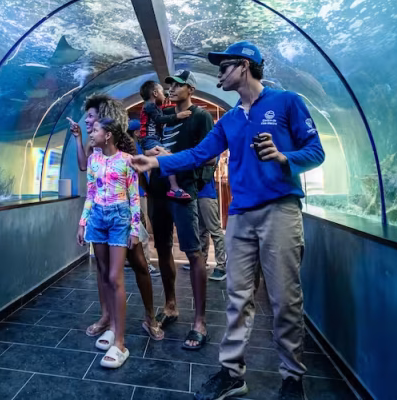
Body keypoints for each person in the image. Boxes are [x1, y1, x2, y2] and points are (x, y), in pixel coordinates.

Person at [130, 42, 325, 400]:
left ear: (244, 66)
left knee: (285, 298)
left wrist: (284, 157)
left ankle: (292, 380)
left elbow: (316, 152)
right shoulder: (232, 119)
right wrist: (155, 163)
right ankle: (232, 373)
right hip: (240, 215)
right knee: (237, 297)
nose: (218, 73)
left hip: (280, 210)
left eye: (224, 67)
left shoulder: (287, 102)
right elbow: (199, 153)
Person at [67, 94, 164, 343]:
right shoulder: (94, 144)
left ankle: (150, 316)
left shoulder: (124, 145)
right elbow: (84, 167)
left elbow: (133, 178)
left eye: (91, 116)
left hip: (126, 210)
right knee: (103, 270)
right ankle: (107, 316)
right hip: (101, 210)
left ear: (104, 117)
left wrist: (135, 221)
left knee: (140, 263)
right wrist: (78, 139)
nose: (87, 120)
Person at [144, 70, 214, 350]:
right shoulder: (162, 116)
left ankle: (200, 321)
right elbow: (149, 142)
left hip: (184, 191)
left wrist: (181, 169)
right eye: (169, 85)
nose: (171, 89)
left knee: (193, 252)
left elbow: (209, 154)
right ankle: (170, 305)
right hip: (157, 191)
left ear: (192, 90)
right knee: (161, 248)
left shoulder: (201, 116)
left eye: (178, 85)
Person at [76, 118, 140, 369]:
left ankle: (120, 343)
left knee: (115, 278)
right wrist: (83, 223)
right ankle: (112, 328)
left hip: (119, 218)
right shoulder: (93, 160)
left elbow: (134, 196)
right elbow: (91, 192)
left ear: (109, 135)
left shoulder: (127, 160)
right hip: (97, 219)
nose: (91, 134)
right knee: (103, 275)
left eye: (95, 130)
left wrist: (135, 229)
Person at [138, 80, 192, 198]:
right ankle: (174, 187)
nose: (165, 95)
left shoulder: (152, 106)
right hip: (150, 139)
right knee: (168, 157)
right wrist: (177, 116)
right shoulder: (149, 106)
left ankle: (152, 187)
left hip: (151, 139)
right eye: (163, 92)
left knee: (157, 161)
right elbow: (159, 119)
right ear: (155, 93)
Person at [182, 161, 227, 282]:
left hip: (207, 194)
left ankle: (221, 266)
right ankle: (202, 261)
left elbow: (210, 161)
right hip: (197, 193)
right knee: (201, 230)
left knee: (215, 230)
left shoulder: (209, 148)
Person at [128, 118, 160, 277]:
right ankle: (146, 263)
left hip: (133, 194)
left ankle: (133, 260)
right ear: (135, 132)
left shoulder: (129, 148)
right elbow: (140, 173)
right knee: (141, 228)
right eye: (139, 131)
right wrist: (147, 189)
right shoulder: (135, 148)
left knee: (135, 228)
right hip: (138, 194)